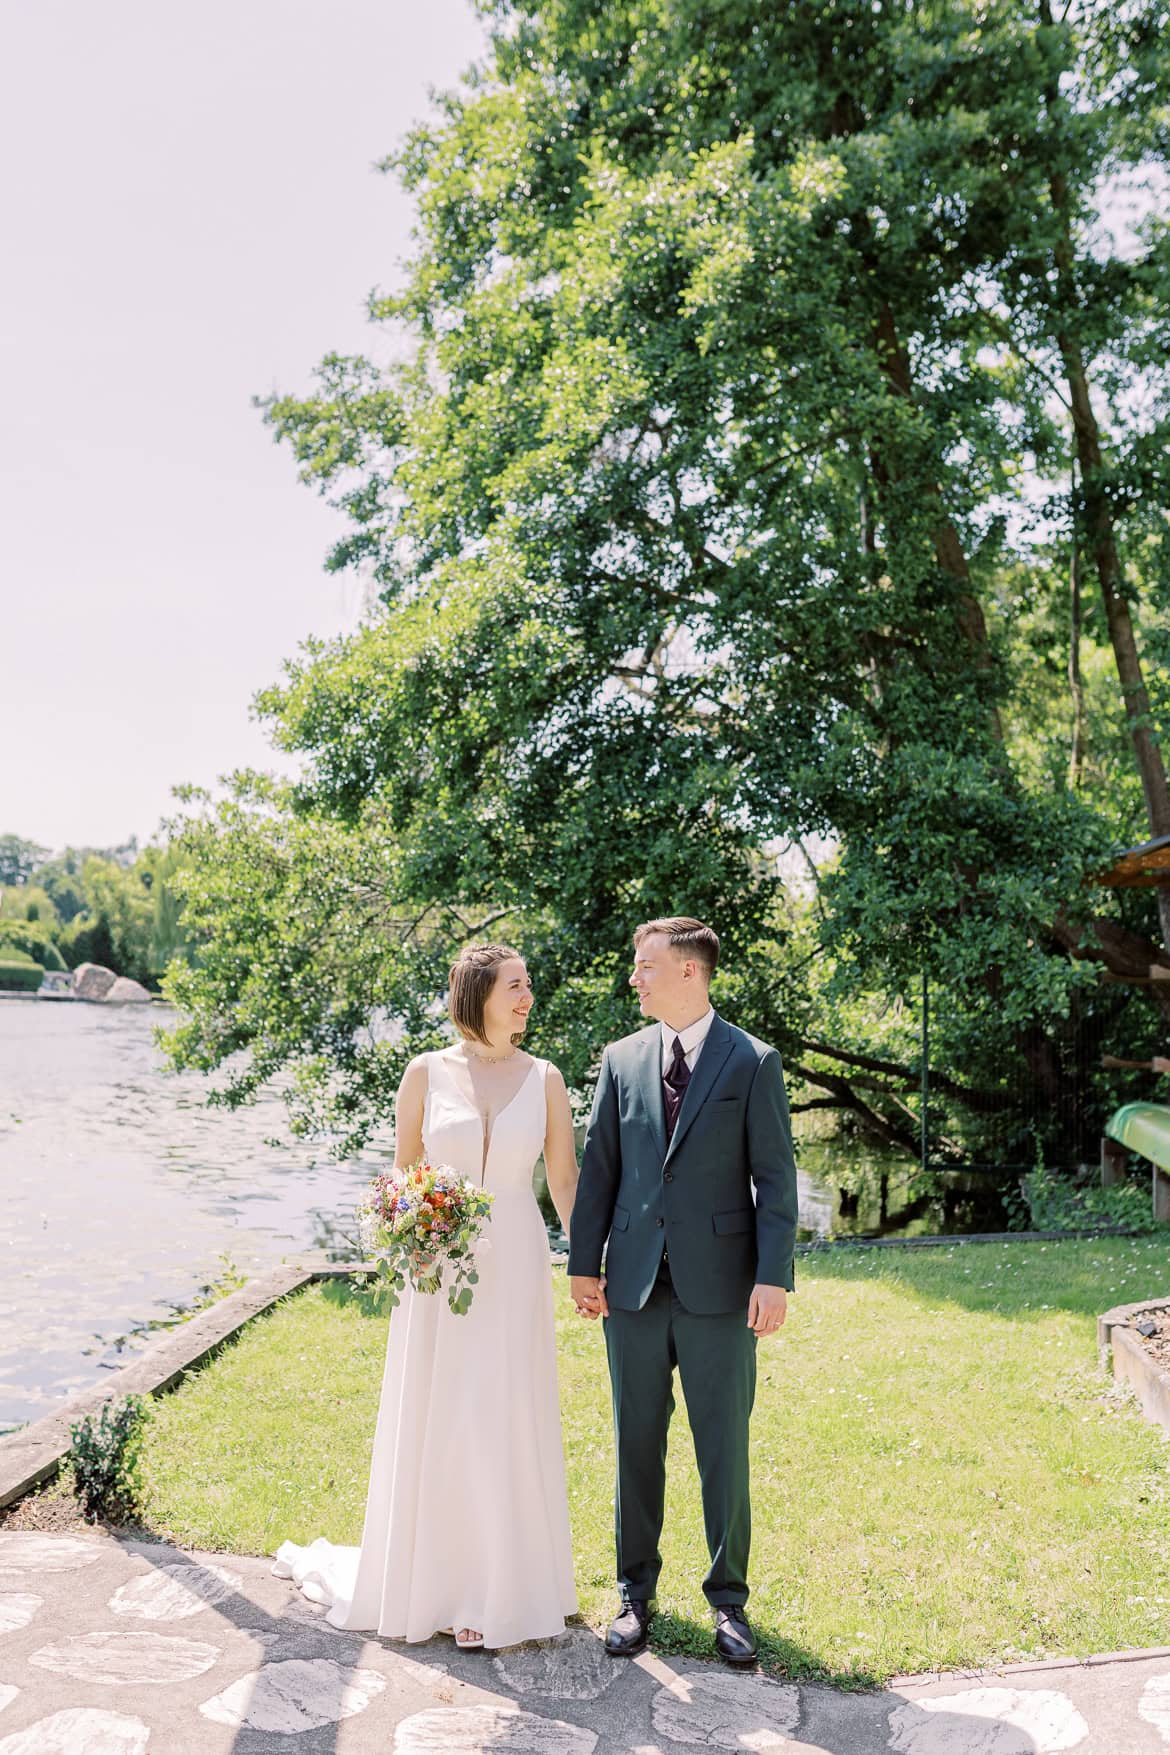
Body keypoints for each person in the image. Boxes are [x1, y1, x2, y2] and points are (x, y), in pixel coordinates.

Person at [274, 942, 580, 1651]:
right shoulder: (424, 1073)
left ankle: (495, 1588)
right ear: (478, 993)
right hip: (438, 1271)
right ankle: (435, 1583)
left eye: (529, 985)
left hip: (515, 1267)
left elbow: (564, 1182)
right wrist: (412, 1223)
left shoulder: (546, 1079)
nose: (528, 996)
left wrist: (589, 1262)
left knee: (501, 1413)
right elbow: (401, 1177)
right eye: (515, 985)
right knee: (443, 1413)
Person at [567, 916, 798, 1667]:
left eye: (646, 965)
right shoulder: (620, 1059)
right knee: (636, 1443)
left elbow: (776, 1179)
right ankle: (635, 1594)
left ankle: (728, 1601)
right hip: (631, 1288)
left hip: (723, 1290)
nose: (635, 976)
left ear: (690, 972)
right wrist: (582, 1261)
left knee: (722, 1448)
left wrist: (773, 1276)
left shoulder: (753, 1062)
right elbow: (600, 1166)